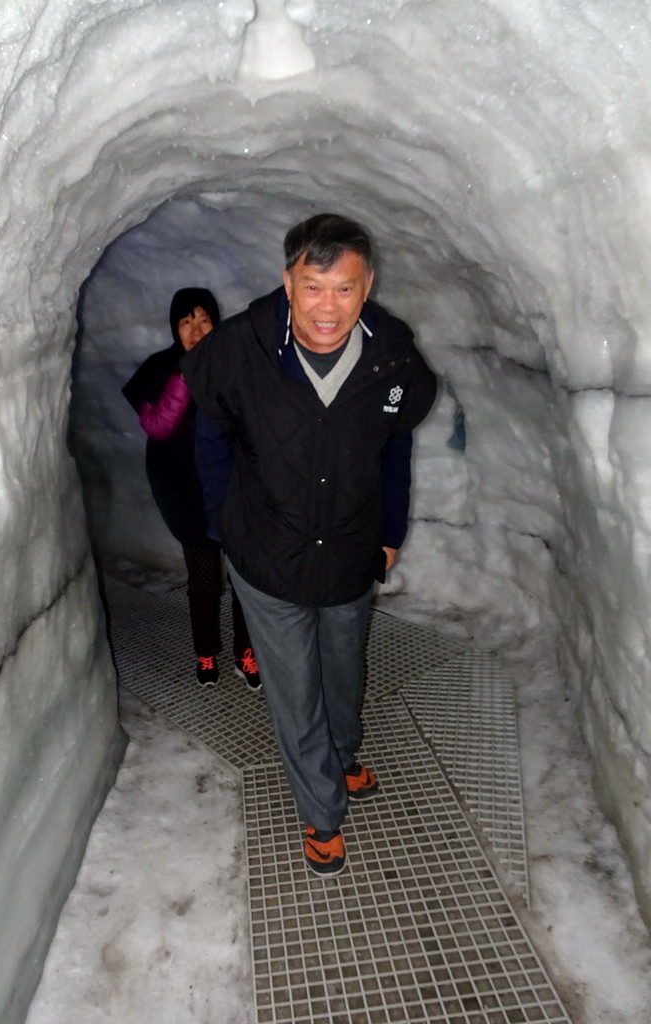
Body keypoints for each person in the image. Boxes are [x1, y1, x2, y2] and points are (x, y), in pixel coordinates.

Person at [183, 215, 437, 876]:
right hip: (267, 556)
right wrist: (224, 524)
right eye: (315, 286)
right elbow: (208, 435)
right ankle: (321, 811)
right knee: (295, 688)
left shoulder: (392, 356)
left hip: (351, 547)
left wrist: (389, 533)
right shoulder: (238, 351)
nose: (329, 306)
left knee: (343, 669)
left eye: (345, 289)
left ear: (367, 286)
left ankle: (344, 756)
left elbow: (396, 445)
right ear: (288, 282)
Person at [122, 288, 260, 690]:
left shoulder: (235, 366)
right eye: (186, 321)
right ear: (174, 328)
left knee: (245, 582)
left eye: (204, 319)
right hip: (186, 495)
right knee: (203, 582)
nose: (196, 329)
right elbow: (158, 427)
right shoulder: (160, 368)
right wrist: (186, 377)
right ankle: (206, 649)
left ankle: (245, 652)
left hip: (237, 493)